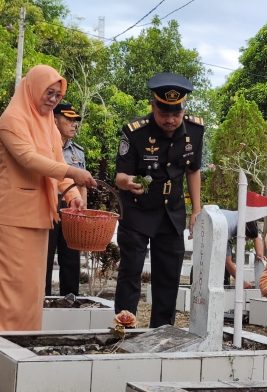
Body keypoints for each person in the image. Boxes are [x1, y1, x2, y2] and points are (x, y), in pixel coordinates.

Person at [0, 65, 96, 332]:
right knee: (3, 287)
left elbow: (56, 160)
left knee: (30, 288)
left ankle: (23, 343)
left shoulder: (49, 125)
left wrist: (72, 193)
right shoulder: (12, 120)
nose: (53, 98)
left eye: (57, 94)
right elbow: (29, 160)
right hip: (8, 216)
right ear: (32, 89)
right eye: (48, 92)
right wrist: (73, 172)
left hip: (39, 216)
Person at [114, 72, 204, 327]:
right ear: (152, 105)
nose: (170, 120)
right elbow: (120, 174)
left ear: (183, 108)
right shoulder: (135, 132)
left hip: (171, 213)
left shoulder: (195, 131)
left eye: (176, 113)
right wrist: (127, 182)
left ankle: (162, 331)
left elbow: (192, 169)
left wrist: (196, 209)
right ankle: (123, 327)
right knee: (131, 271)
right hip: (137, 211)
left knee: (168, 275)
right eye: (164, 113)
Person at [45, 103, 85, 296]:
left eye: (75, 120)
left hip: (71, 208)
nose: (73, 124)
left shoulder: (78, 152)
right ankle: (42, 299)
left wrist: (82, 213)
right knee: (45, 255)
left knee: (71, 257)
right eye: (68, 119)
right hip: (48, 205)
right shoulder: (44, 146)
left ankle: (71, 300)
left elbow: (82, 184)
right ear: (54, 120)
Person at [190, 209, 265, 288]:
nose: (246, 240)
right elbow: (228, 262)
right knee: (206, 261)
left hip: (208, 218)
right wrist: (242, 282)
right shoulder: (226, 230)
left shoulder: (246, 218)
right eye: (246, 238)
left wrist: (260, 255)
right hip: (209, 229)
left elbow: (256, 237)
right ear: (241, 231)